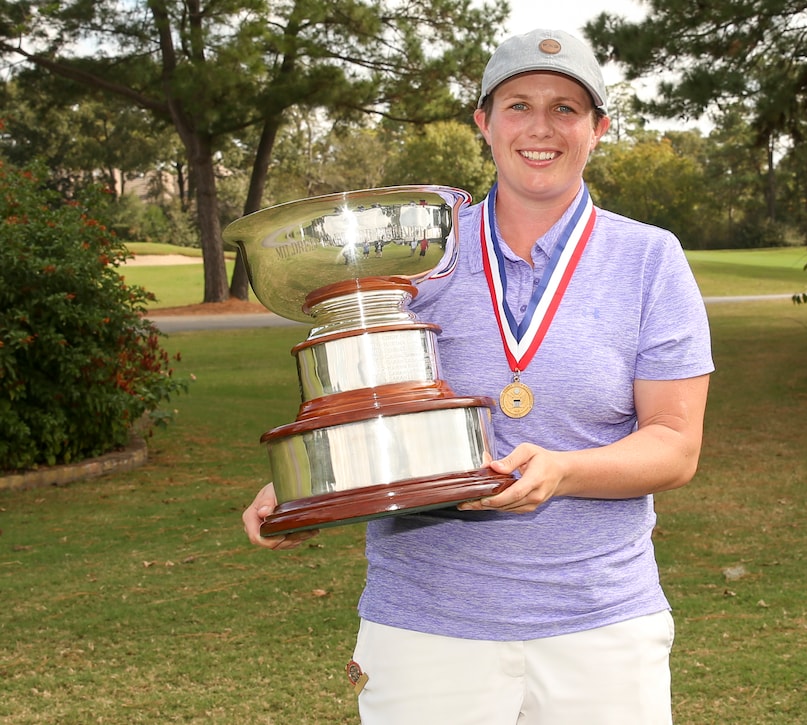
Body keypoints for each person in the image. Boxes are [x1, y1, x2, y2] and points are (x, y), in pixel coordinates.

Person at [243, 28, 714, 724]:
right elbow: (375, 402)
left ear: (599, 129)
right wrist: (311, 478)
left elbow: (675, 443)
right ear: (484, 122)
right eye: (518, 104)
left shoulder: (649, 259)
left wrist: (563, 470)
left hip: (601, 625)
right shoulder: (418, 252)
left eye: (566, 108)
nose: (541, 127)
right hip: (427, 627)